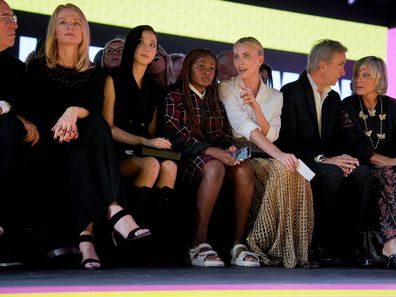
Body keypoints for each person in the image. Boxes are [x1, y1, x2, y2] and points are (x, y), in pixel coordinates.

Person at [21, 4, 151, 270]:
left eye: (76, 23)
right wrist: (66, 119)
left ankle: (86, 238)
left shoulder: (94, 73)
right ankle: (114, 211)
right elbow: (35, 113)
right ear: (54, 31)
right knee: (93, 131)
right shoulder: (35, 68)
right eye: (64, 22)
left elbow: (91, 106)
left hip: (81, 145)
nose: (70, 27)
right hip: (47, 145)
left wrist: (72, 112)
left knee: (93, 130)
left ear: (84, 33)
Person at [219, 37, 313, 268]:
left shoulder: (276, 95)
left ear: (261, 59)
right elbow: (244, 127)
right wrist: (279, 154)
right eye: (237, 56)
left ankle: (286, 248)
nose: (240, 61)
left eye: (247, 56)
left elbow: (270, 136)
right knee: (283, 166)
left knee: (296, 172)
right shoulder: (226, 87)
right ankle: (255, 243)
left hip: (264, 152)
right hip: (237, 152)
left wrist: (257, 107)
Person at [277, 39, 372, 266]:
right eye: (340, 65)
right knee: (331, 173)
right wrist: (324, 159)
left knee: (361, 172)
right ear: (322, 66)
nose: (344, 71)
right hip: (296, 161)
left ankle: (348, 246)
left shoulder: (334, 97)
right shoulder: (291, 92)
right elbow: (287, 142)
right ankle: (314, 244)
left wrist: (344, 161)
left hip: (324, 161)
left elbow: (336, 140)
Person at [162, 48, 259, 267]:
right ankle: (198, 244)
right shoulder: (174, 97)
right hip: (185, 159)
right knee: (215, 167)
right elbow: (174, 137)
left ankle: (237, 245)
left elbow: (224, 133)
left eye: (212, 69)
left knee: (243, 168)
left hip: (215, 157)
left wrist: (230, 149)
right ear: (189, 69)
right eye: (201, 67)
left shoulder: (215, 98)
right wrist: (209, 150)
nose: (207, 73)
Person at [103, 25, 177, 228]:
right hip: (114, 154)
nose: (147, 48)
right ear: (131, 46)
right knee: (151, 164)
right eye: (141, 43)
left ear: (156, 52)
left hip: (143, 151)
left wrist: (160, 142)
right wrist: (146, 141)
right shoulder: (112, 79)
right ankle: (130, 231)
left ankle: (155, 233)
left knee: (169, 165)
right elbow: (107, 127)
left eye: (152, 45)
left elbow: (152, 132)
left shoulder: (155, 89)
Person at [341, 56, 396, 268]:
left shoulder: (391, 106)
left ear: (379, 78)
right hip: (360, 167)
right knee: (390, 174)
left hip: (390, 166)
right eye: (356, 75)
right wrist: (390, 162)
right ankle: (390, 242)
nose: (358, 80)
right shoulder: (348, 106)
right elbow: (356, 147)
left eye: (366, 75)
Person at [0, 0, 39, 267]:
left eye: (13, 17)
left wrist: (16, 115)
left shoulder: (15, 68)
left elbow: (20, 106)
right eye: (5, 18)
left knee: (18, 132)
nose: (14, 23)